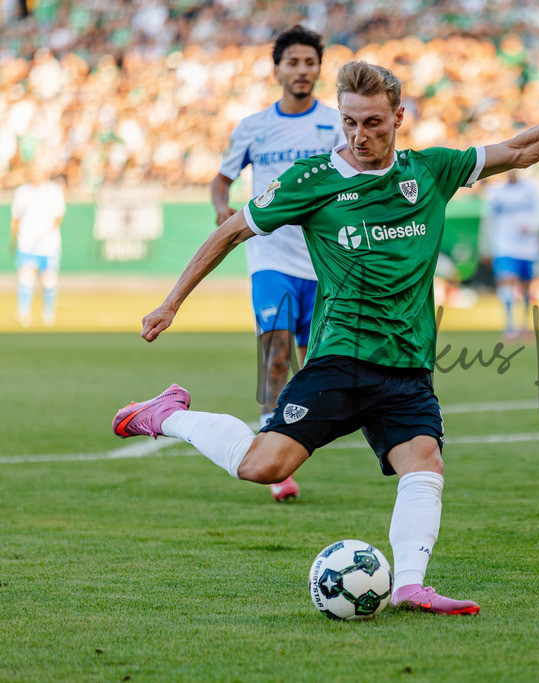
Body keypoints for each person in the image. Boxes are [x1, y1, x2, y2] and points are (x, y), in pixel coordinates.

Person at [113, 61, 539, 615]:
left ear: (398, 117)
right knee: (264, 467)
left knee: (424, 462)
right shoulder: (312, 180)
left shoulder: (431, 171)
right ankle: (167, 414)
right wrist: (171, 302)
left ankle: (410, 586)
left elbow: (519, 150)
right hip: (342, 360)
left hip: (409, 366)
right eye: (349, 122)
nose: (359, 135)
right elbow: (232, 231)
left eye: (373, 122)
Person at [210, 25, 342, 502]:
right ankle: (274, 458)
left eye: (310, 62)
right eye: (293, 62)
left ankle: (294, 439)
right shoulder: (252, 127)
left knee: (317, 365)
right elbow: (221, 181)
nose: (302, 70)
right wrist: (222, 209)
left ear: (319, 69)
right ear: (277, 70)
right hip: (270, 257)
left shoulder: (337, 124)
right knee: (276, 354)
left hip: (324, 262)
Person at [479, 169, 539, 341]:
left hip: (529, 247)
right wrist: (485, 247)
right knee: (506, 281)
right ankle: (509, 325)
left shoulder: (533, 189)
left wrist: (531, 226)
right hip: (504, 246)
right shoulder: (495, 191)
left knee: (526, 286)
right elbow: (487, 220)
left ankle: (524, 324)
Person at [10, 162, 66, 328]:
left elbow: (58, 216)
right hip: (27, 244)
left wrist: (46, 233)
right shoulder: (21, 192)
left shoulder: (54, 191)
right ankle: (23, 313)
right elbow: (16, 218)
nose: (36, 174)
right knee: (26, 278)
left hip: (48, 245)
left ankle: (48, 313)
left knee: (48, 280)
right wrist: (14, 239)